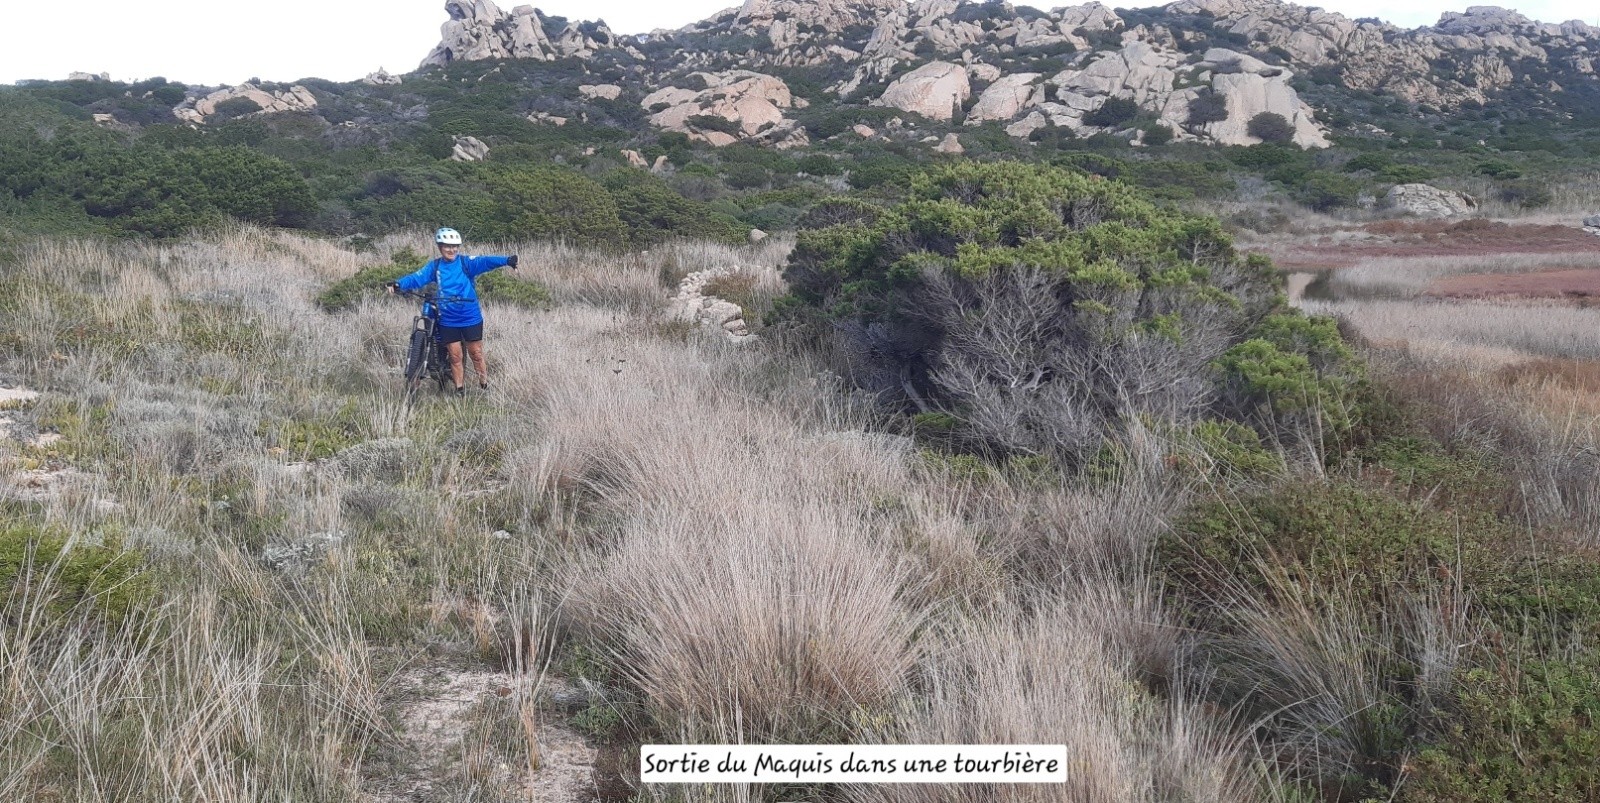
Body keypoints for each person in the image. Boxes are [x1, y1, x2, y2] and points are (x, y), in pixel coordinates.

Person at [388, 227, 518, 396]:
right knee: (455, 357)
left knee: (476, 354)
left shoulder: (465, 263)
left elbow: (485, 261)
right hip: (448, 318)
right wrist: (399, 284)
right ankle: (459, 390)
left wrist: (507, 260)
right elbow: (417, 277)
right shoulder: (435, 267)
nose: (452, 250)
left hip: (469, 316)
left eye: (455, 246)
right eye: (447, 246)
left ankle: (484, 384)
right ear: (440, 247)